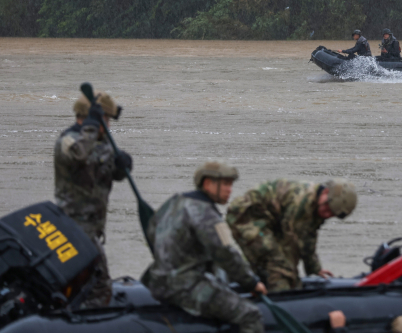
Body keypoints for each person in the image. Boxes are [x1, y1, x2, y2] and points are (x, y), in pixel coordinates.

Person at [143, 162, 267, 333]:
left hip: (156, 281)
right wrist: (251, 283)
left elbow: (152, 231)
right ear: (208, 183)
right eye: (225, 184)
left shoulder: (173, 203)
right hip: (185, 287)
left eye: (230, 184)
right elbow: (226, 254)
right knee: (250, 315)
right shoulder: (207, 214)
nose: (229, 190)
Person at [54, 91, 132, 308]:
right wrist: (91, 126)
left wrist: (121, 166)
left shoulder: (99, 142)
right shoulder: (69, 140)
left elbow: (106, 171)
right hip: (74, 228)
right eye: (105, 120)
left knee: (90, 285)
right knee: (100, 287)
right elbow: (79, 155)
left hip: (92, 230)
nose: (107, 126)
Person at [226, 179, 358, 292]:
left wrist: (314, 268)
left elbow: (308, 238)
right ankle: (278, 296)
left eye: (332, 214)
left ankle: (242, 279)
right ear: (325, 193)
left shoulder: (317, 207)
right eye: (327, 208)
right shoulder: (302, 203)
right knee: (277, 260)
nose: (327, 214)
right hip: (246, 218)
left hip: (269, 222)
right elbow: (290, 244)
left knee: (269, 256)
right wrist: (291, 280)